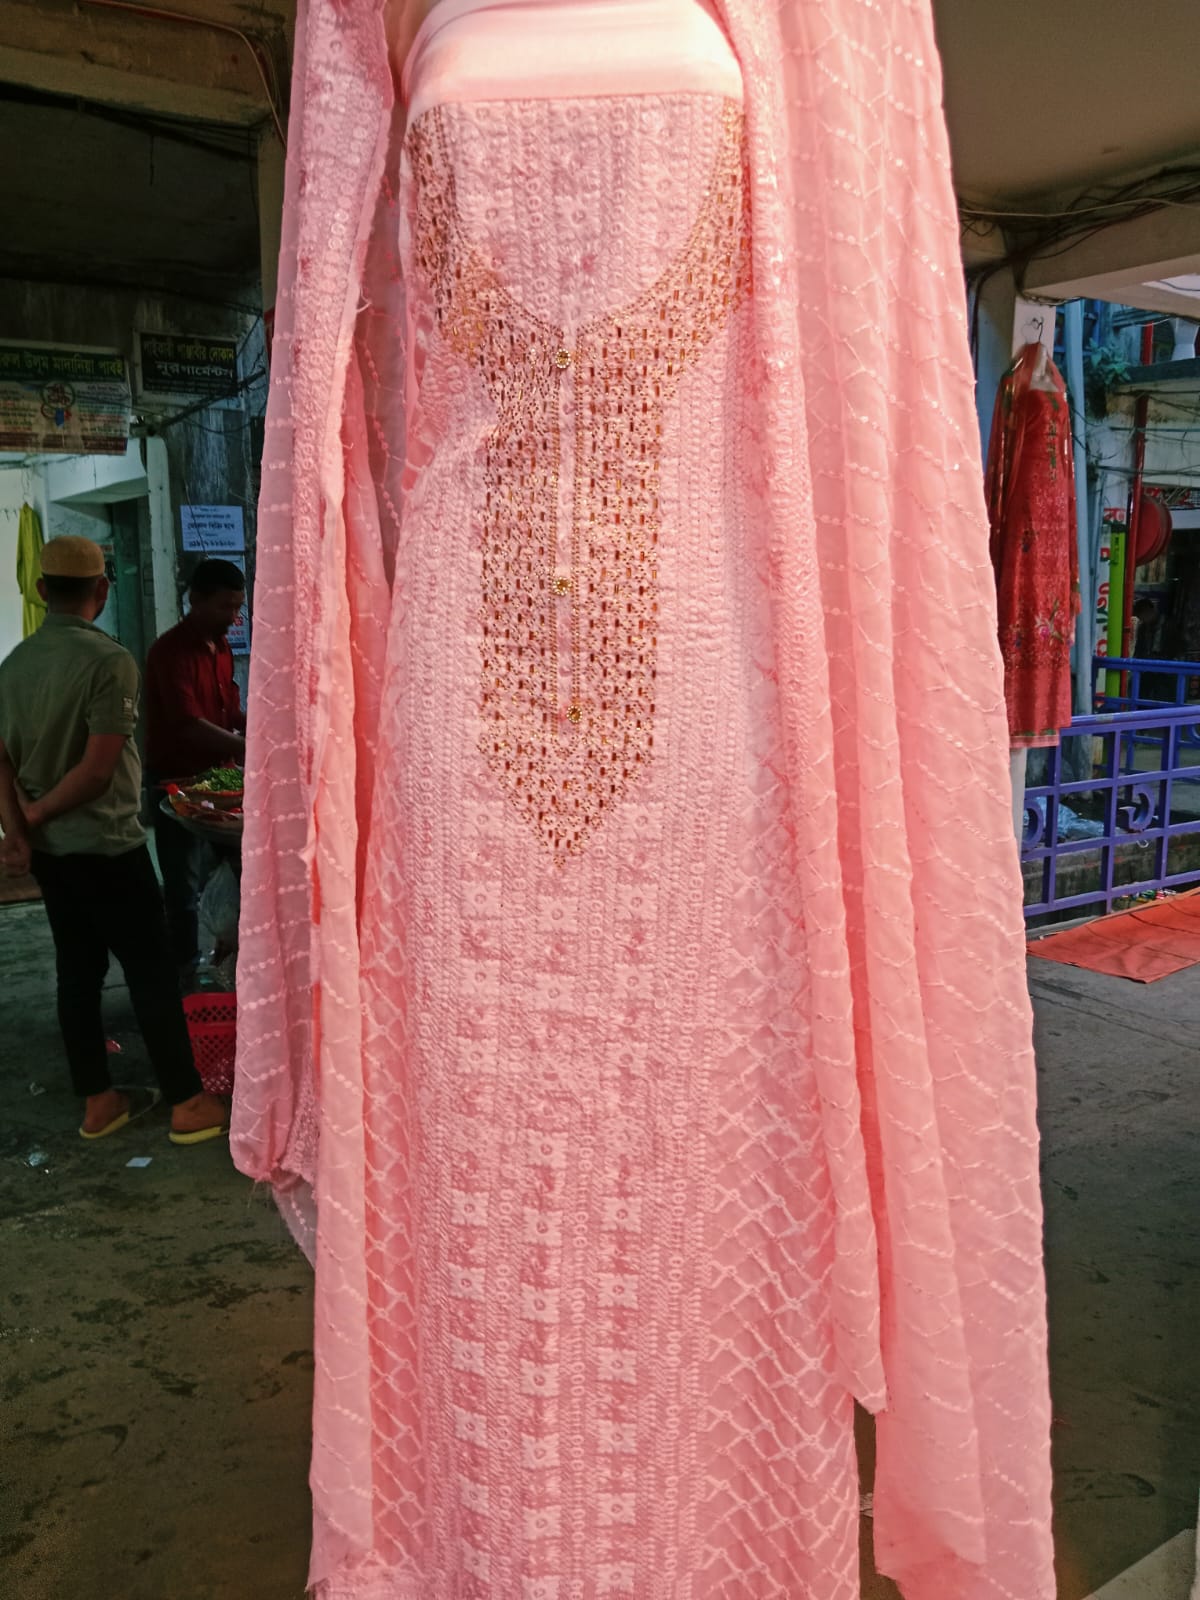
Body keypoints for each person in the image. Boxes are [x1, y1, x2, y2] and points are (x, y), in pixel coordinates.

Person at [0, 535, 228, 1145]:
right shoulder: (109, 661)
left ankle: (98, 1101)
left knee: (77, 974)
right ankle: (187, 1103)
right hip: (107, 848)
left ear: (41, 590)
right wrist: (35, 813)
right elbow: (98, 772)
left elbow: (2, 761)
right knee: (152, 973)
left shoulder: (14, 665)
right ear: (102, 590)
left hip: (54, 855)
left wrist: (20, 829)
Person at [144, 557, 247, 972]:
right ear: (195, 600)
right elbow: (188, 724)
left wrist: (269, 729)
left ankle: (236, 956)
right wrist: (248, 747)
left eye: (238, 607)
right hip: (177, 780)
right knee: (183, 884)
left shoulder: (221, 648)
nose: (233, 617)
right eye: (225, 607)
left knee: (243, 868)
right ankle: (185, 969)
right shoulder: (169, 652)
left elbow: (229, 712)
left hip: (220, 777)